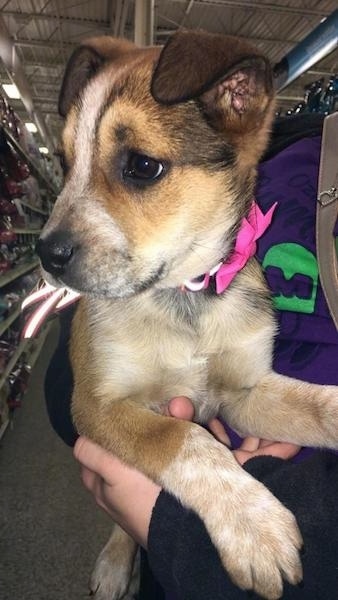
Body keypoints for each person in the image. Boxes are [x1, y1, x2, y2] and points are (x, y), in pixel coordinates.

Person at [44, 113, 338, 599]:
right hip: (170, 517)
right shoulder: (296, 145)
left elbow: (246, 394)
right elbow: (86, 403)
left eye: (139, 166)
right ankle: (124, 538)